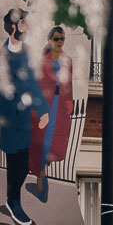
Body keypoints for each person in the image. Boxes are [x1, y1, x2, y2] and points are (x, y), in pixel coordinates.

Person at [0, 8, 45, 225]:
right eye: (24, 23)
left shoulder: (26, 53)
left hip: (23, 120)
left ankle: (11, 199)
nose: (27, 27)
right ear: (14, 26)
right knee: (14, 163)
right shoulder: (2, 54)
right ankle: (14, 203)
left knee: (23, 164)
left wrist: (43, 111)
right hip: (8, 119)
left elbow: (33, 84)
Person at [32, 24, 77, 200]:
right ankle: (41, 176)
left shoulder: (67, 61)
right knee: (43, 141)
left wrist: (69, 102)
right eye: (56, 38)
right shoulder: (42, 61)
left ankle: (42, 171)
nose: (60, 42)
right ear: (50, 40)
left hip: (59, 105)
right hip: (46, 103)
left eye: (62, 39)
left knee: (53, 141)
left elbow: (69, 84)